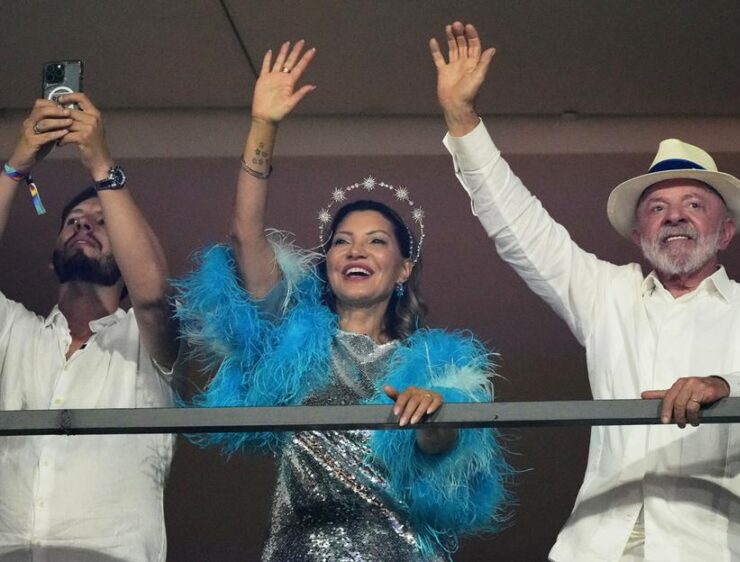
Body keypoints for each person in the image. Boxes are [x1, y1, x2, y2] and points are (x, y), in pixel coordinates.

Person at [430, 21, 740, 561]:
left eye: (694, 205)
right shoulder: (609, 293)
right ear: (638, 235)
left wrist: (723, 384)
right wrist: (463, 121)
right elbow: (520, 227)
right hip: (596, 545)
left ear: (725, 233)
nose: (674, 216)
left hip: (713, 548)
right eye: (657, 208)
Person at [174, 41, 510, 561]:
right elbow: (245, 236)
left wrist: (436, 421)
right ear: (327, 263)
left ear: (402, 270)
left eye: (377, 241)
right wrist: (264, 124)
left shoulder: (436, 368)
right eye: (342, 240)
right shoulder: (292, 343)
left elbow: (447, 467)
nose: (356, 249)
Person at [0, 94, 179, 560]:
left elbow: (154, 293)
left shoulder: (145, 345)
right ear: (52, 255)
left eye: (101, 223)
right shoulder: (15, 332)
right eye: (73, 222)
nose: (84, 226)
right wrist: (16, 162)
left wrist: (101, 165)